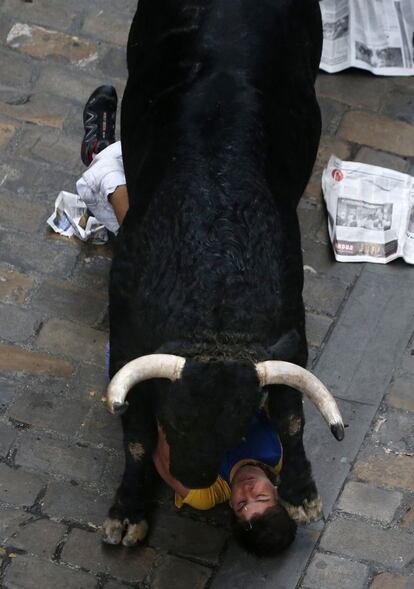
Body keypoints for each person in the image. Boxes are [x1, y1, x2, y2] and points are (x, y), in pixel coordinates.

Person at [79, 86, 297, 556]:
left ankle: (99, 151)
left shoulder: (200, 490)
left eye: (241, 507)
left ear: (231, 512)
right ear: (277, 493)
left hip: (160, 358)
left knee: (141, 241)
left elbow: (163, 432)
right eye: (260, 498)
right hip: (209, 336)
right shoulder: (277, 451)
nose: (246, 494)